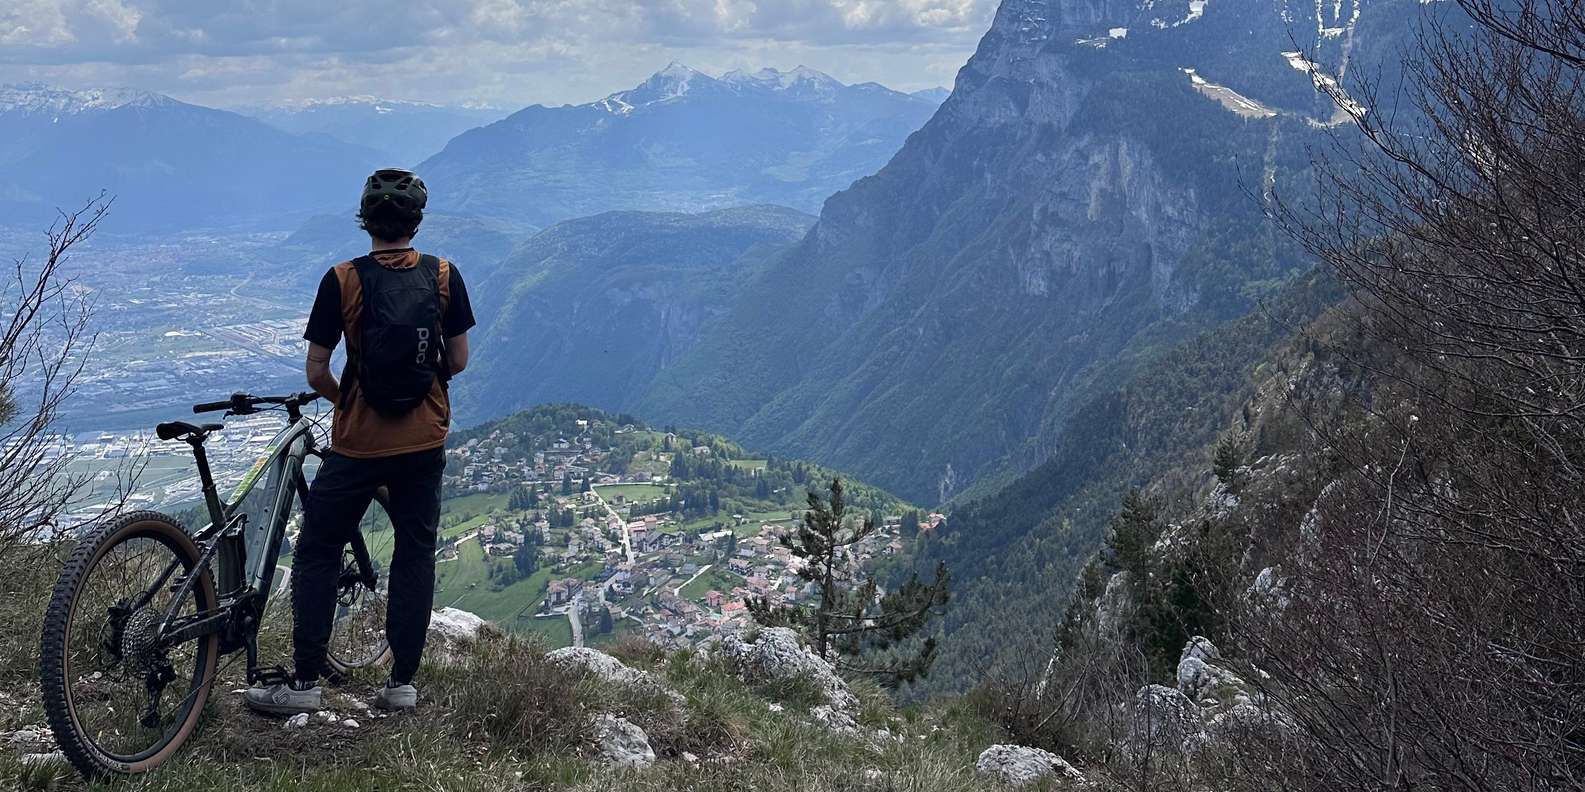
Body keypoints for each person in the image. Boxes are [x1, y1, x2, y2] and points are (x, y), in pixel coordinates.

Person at [246, 168, 475, 715]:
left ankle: (303, 683)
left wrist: (345, 399)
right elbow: (460, 360)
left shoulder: (343, 279)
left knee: (319, 549)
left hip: (357, 444)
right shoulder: (444, 276)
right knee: (415, 552)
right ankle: (402, 684)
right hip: (423, 441)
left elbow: (317, 371)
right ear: (415, 221)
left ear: (366, 221)